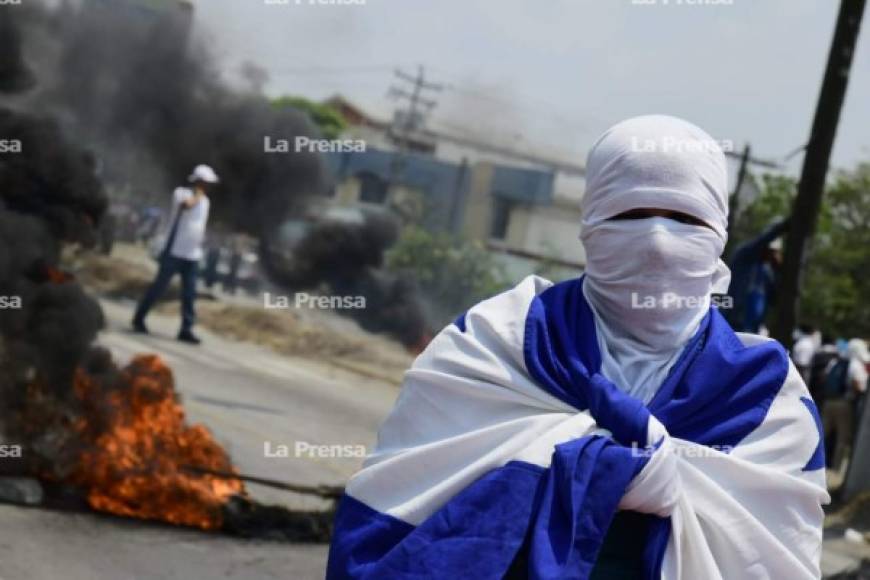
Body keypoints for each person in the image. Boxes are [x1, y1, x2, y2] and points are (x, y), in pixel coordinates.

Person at [327, 116, 827, 579]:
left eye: (683, 218)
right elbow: (397, 513)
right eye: (630, 214)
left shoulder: (765, 396)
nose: (656, 240)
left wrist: (611, 463)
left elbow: (776, 554)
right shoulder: (496, 341)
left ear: (718, 232)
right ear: (588, 225)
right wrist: (634, 466)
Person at [132, 164, 219, 345]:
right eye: (205, 183)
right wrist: (197, 194)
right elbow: (185, 206)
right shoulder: (182, 193)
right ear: (198, 181)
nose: (208, 186)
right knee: (159, 288)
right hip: (174, 251)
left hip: (192, 255)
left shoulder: (206, 202)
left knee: (189, 293)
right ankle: (139, 317)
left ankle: (186, 329)